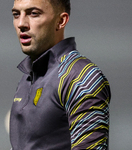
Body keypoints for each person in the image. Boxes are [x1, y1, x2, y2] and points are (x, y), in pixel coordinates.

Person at [10, 0, 111, 149]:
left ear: (61, 21)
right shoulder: (27, 77)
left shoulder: (80, 77)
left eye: (33, 14)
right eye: (16, 14)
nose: (21, 23)